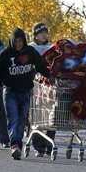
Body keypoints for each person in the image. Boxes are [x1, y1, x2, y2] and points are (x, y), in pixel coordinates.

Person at [0, 28, 51, 160]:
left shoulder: (30, 52)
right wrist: (1, 82)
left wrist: (49, 76)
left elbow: (40, 65)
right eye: (16, 41)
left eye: (20, 41)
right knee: (13, 119)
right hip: (10, 92)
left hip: (25, 92)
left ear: (24, 41)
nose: (18, 44)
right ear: (12, 41)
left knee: (22, 121)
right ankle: (16, 146)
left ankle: (18, 142)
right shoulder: (5, 54)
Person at [28, 23, 56, 157]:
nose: (44, 35)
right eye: (41, 32)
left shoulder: (52, 48)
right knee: (37, 116)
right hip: (35, 85)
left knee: (53, 116)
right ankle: (38, 146)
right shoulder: (30, 48)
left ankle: (49, 145)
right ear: (35, 35)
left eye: (45, 32)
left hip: (49, 87)